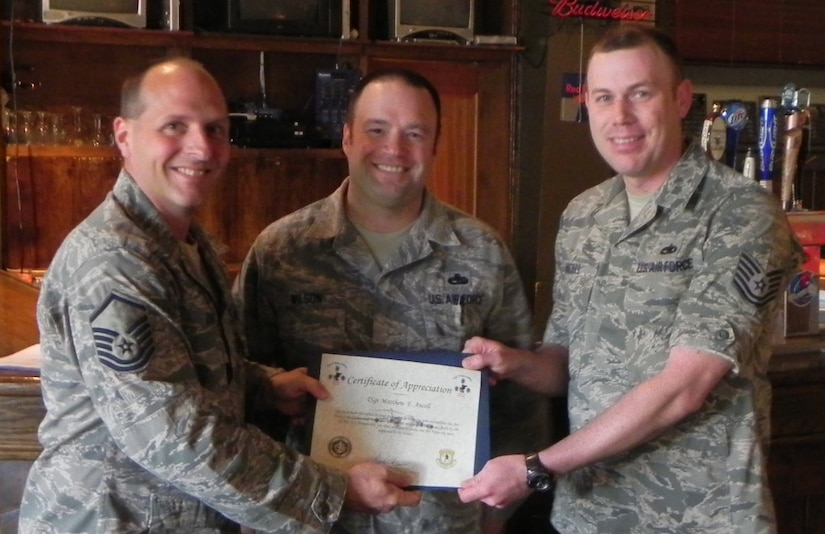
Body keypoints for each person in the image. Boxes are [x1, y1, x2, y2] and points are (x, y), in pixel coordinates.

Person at [19, 57, 421, 533]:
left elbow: (190, 370)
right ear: (124, 136)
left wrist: (262, 387)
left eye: (215, 129)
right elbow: (173, 435)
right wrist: (332, 490)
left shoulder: (186, 243)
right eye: (175, 126)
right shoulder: (115, 262)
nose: (201, 147)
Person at [457, 25, 804, 533]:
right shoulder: (584, 215)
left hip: (697, 517)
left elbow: (685, 386)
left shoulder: (740, 214)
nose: (620, 117)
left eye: (640, 94)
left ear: (681, 98)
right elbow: (565, 366)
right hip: (590, 513)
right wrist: (515, 363)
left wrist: (537, 467)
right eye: (603, 98)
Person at [234, 68, 548, 534]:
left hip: (439, 522)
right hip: (310, 518)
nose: (394, 150)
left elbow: (521, 397)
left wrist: (496, 514)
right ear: (346, 138)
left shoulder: (481, 251)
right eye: (376, 130)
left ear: (436, 144)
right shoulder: (281, 249)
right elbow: (235, 376)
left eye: (414, 134)